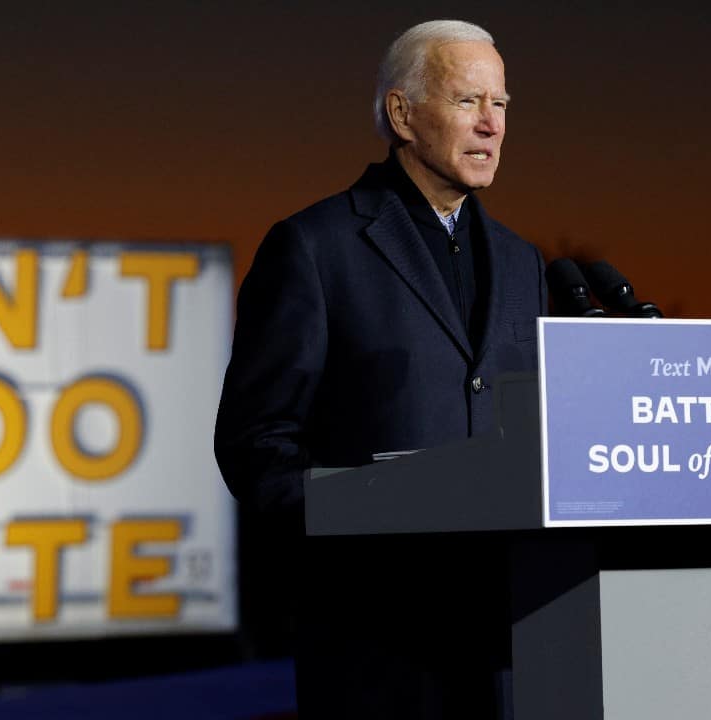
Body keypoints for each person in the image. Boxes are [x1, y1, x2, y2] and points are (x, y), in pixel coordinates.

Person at [215, 19, 547, 718]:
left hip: (511, 647)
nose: (492, 125)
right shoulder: (313, 248)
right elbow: (256, 448)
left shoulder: (524, 262)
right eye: (468, 102)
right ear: (402, 113)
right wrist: (361, 530)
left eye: (503, 105)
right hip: (376, 650)